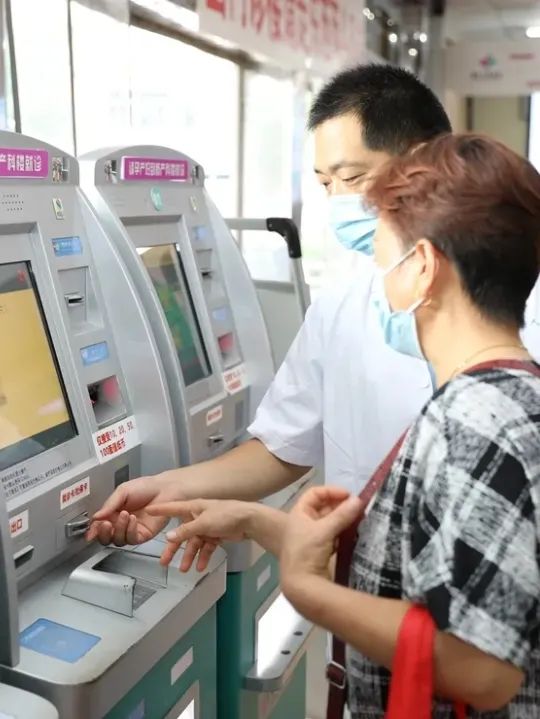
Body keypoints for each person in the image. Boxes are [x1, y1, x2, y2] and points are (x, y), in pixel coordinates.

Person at [148, 134, 540, 718]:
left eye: (383, 262)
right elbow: (421, 589)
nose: (377, 283)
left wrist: (308, 591)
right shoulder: (506, 395)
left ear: (423, 268)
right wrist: (257, 522)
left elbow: (483, 669)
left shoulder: (476, 420)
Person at [87, 64, 453, 551]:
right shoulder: (340, 308)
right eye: (326, 184)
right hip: (351, 583)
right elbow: (284, 446)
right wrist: (170, 488)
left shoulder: (521, 311)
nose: (339, 202)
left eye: (352, 177)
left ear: (426, 163)